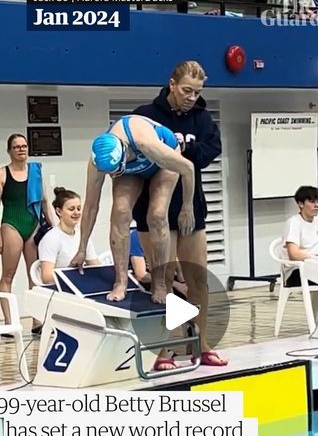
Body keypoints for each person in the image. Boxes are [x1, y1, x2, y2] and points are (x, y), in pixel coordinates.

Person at [132, 60, 227, 369]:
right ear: (171, 83)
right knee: (166, 280)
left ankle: (201, 342)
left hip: (190, 205)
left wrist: (180, 152)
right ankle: (164, 348)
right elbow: (134, 153)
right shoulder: (145, 115)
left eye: (197, 92)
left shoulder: (202, 118)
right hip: (155, 207)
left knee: (198, 278)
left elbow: (212, 149)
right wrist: (177, 153)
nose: (191, 97)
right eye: (187, 90)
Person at [70, 114, 196, 304]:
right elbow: (90, 206)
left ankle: (160, 283)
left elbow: (188, 168)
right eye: (112, 173)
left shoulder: (147, 143)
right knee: (119, 211)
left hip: (162, 162)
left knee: (157, 214)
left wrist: (187, 207)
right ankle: (120, 282)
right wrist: (82, 248)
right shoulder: (97, 162)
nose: (113, 176)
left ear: (124, 152)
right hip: (133, 168)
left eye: (116, 171)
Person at [0, 133, 56, 334]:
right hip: (11, 225)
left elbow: (44, 202)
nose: (21, 149)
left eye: (24, 146)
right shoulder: (2, 174)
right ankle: (9, 322)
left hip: (33, 225)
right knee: (8, 275)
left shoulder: (35, 171)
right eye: (16, 147)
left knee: (35, 274)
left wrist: (54, 228)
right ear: (9, 151)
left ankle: (37, 321)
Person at [282, 185, 318, 309]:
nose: (317, 205)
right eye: (312, 201)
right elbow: (293, 254)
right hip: (296, 272)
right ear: (300, 204)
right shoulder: (294, 223)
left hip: (317, 267)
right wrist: (316, 258)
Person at [38, 187, 99, 284]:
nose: (76, 212)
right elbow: (47, 277)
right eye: (71, 209)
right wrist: (71, 274)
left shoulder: (82, 236)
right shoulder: (51, 239)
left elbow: (96, 267)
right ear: (59, 211)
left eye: (79, 208)